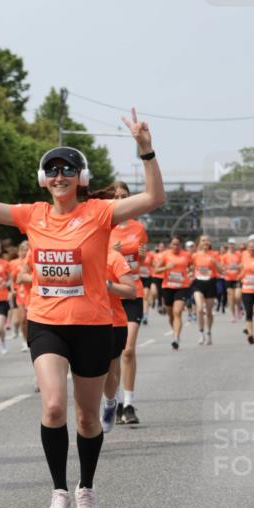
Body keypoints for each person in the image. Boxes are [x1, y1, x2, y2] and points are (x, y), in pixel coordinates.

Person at [0, 111, 165, 508]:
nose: (60, 176)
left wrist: (146, 150)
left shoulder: (100, 213)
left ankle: (86, 489)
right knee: (54, 406)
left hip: (91, 325)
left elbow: (153, 199)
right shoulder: (32, 215)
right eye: (53, 170)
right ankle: (58, 491)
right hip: (46, 323)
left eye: (68, 169)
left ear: (80, 178)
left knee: (88, 418)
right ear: (44, 179)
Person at [109, 182, 148, 425]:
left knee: (128, 350)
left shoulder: (138, 227)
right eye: (116, 197)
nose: (121, 200)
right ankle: (111, 401)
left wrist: (141, 256)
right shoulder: (104, 226)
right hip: (110, 294)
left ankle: (129, 403)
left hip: (133, 291)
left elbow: (139, 260)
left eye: (124, 196)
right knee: (109, 355)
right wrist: (109, 252)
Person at [100, 249, 136, 432]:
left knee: (110, 371)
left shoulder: (113, 256)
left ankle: (110, 402)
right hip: (81, 320)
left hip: (113, 320)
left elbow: (132, 289)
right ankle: (87, 419)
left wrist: (108, 285)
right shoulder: (75, 253)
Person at [155, 237, 192, 349]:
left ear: (180, 245)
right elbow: (156, 270)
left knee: (177, 312)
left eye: (177, 244)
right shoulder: (165, 255)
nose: (175, 246)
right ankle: (175, 331)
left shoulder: (186, 255)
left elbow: (191, 266)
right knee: (171, 315)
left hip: (182, 287)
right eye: (173, 244)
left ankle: (176, 338)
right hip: (168, 287)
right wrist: (167, 267)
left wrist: (190, 273)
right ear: (170, 245)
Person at [191, 235, 222, 345]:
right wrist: (189, 274)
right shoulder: (194, 256)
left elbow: (222, 271)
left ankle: (209, 332)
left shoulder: (215, 254)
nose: (205, 242)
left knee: (209, 312)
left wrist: (215, 263)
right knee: (199, 309)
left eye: (207, 240)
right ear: (199, 242)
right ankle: (201, 333)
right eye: (203, 240)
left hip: (210, 283)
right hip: (198, 284)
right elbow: (189, 268)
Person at [221, 239, 242, 323]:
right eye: (230, 244)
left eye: (233, 244)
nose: (231, 246)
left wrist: (238, 266)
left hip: (237, 278)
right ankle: (233, 315)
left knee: (237, 296)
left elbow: (242, 263)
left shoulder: (239, 254)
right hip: (228, 278)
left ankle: (239, 309)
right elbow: (222, 266)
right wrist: (226, 268)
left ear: (235, 245)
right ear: (228, 245)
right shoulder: (225, 256)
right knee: (231, 297)